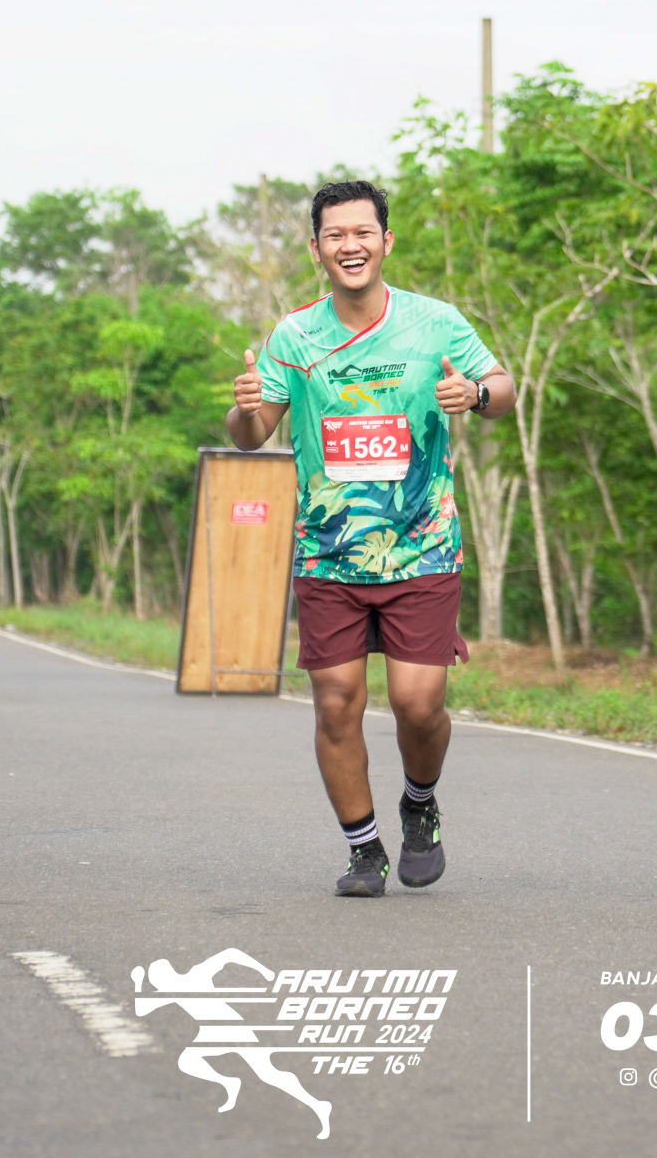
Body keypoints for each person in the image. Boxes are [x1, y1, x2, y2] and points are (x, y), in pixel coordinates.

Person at [227, 179, 515, 897]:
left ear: (385, 241)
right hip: (329, 551)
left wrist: (476, 394)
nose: (349, 245)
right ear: (316, 248)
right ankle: (363, 850)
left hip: (423, 544)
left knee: (418, 704)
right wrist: (243, 408)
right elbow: (252, 434)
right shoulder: (294, 337)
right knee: (335, 702)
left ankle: (420, 801)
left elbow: (502, 388)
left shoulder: (435, 322)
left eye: (362, 232)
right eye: (335, 235)